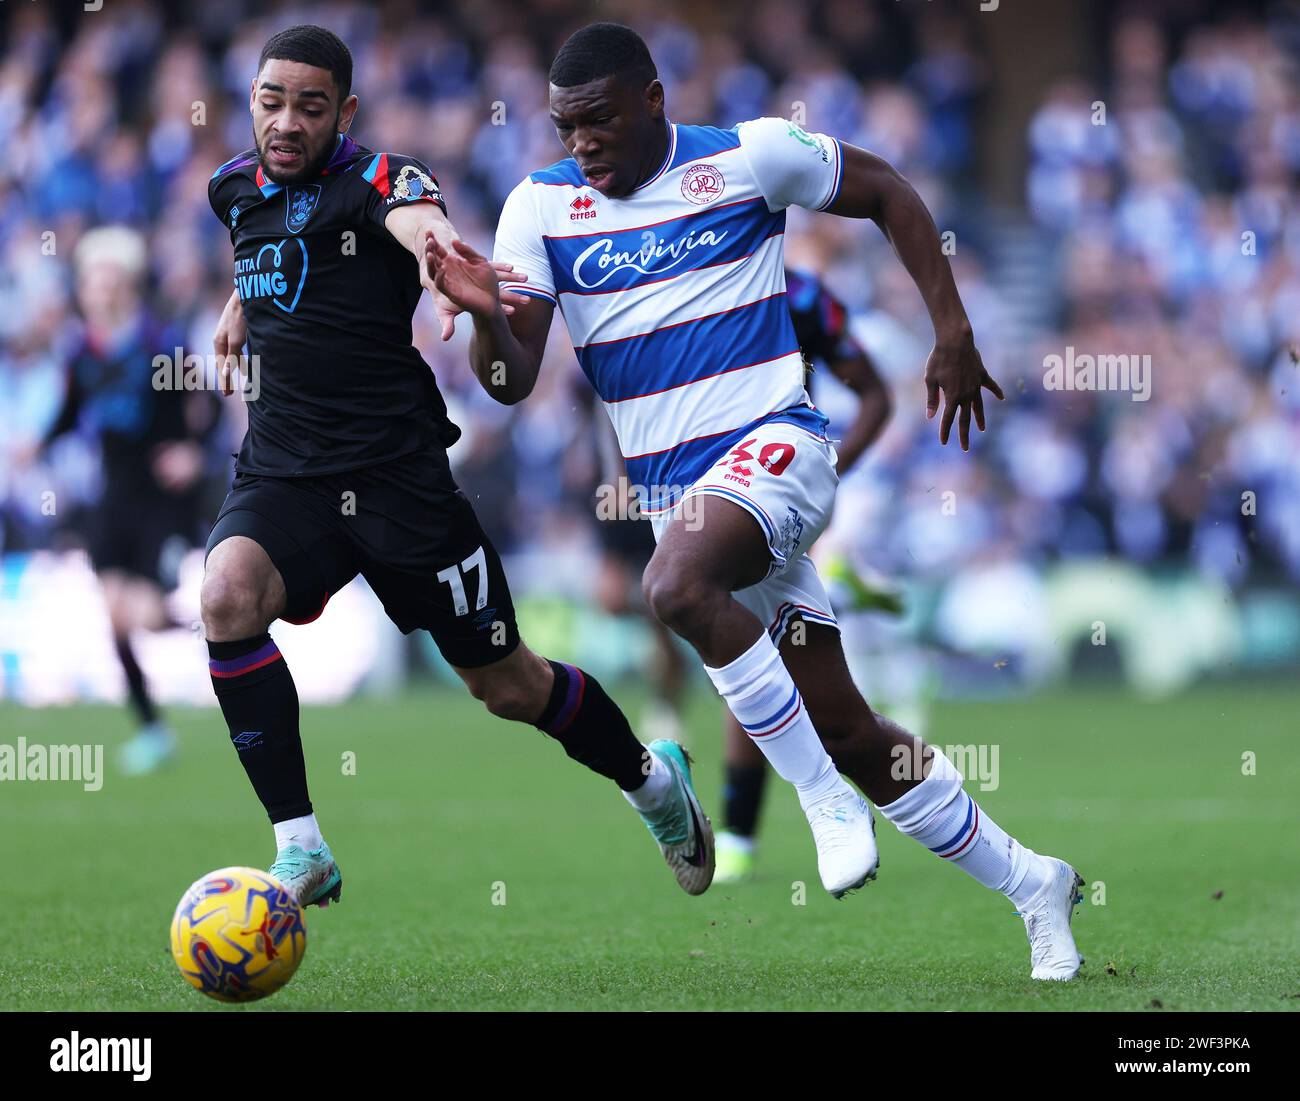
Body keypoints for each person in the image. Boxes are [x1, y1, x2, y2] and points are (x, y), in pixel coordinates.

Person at [433, 22, 1085, 978]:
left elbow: (891, 191)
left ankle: (820, 800)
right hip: (680, 496)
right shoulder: (538, 208)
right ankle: (1036, 883)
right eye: (567, 127)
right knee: (854, 727)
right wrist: (488, 314)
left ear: (653, 100)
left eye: (601, 121)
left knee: (673, 588)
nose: (584, 144)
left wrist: (952, 329)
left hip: (780, 447)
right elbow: (510, 380)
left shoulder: (750, 156)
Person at [206, 24, 714, 909]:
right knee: (224, 597)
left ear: (346, 113)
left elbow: (423, 228)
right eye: (271, 101)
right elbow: (271, 247)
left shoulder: (383, 181)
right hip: (285, 474)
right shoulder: (233, 190)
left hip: (402, 483)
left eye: (311, 107)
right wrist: (238, 305)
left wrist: (443, 267)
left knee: (507, 684)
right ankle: (301, 845)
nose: (287, 122)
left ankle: (651, 781)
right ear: (251, 100)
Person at [32, 225, 214, 775]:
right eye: (92, 281)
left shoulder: (162, 344)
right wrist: (32, 447)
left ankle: (211, 621)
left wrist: (192, 451)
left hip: (161, 497)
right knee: (113, 618)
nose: (101, 290)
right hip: (113, 496)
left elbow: (203, 405)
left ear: (128, 284)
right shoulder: (80, 352)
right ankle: (153, 730)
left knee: (143, 612)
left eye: (110, 280)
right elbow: (67, 415)